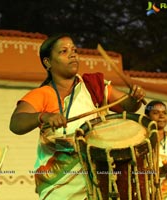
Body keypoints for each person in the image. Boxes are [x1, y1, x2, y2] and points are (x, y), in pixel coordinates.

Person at [9, 33, 146, 200]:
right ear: (48, 62)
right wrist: (43, 116)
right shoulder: (43, 94)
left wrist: (135, 98)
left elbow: (128, 106)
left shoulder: (92, 86)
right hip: (58, 186)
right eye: (64, 51)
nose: (73, 54)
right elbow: (16, 123)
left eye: (74, 50)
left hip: (96, 179)